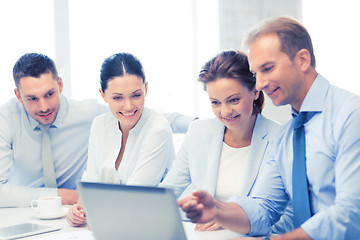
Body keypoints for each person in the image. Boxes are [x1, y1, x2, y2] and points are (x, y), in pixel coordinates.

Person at [178, 16, 360, 240]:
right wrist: (217, 210)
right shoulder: (287, 136)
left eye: (268, 68)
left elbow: (353, 211)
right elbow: (264, 209)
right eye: (256, 74)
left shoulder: (352, 115)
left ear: (302, 60)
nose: (261, 83)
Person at [161, 50, 292, 233]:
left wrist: (234, 219)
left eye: (234, 100)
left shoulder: (282, 138)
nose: (225, 111)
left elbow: (290, 214)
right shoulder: (198, 132)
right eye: (215, 102)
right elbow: (168, 192)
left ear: (255, 91)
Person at [67, 53, 175, 226]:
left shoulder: (158, 129)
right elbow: (90, 185)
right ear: (103, 95)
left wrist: (96, 212)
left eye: (136, 95)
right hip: (110, 224)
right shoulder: (99, 125)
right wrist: (78, 211)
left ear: (146, 89)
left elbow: (135, 196)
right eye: (117, 97)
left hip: (150, 225)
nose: (129, 106)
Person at [0, 53, 109, 207]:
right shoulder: (5, 119)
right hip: (23, 210)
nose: (44, 107)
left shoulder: (89, 113)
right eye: (32, 99)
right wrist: (58, 196)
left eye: (49, 94)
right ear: (18, 95)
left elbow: (136, 114)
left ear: (60, 85)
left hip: (75, 212)